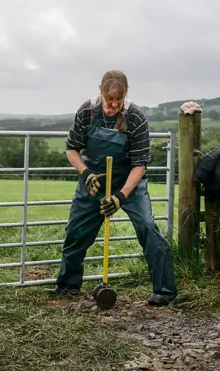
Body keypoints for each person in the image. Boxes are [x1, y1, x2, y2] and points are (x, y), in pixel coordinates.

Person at [49, 70, 177, 306]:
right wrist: (85, 173)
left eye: (119, 100)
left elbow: (140, 164)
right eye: (110, 100)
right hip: (93, 181)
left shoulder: (136, 118)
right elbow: (71, 150)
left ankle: (165, 290)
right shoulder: (87, 112)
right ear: (101, 91)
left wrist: (120, 196)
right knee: (76, 232)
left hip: (128, 182)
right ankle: (67, 287)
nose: (114, 105)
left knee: (148, 227)